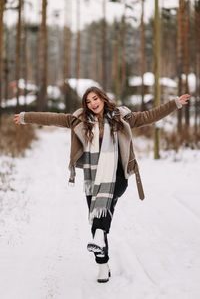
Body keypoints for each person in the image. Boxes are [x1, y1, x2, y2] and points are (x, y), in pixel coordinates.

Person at [14, 87, 190, 283]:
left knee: (101, 212)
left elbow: (150, 115)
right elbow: (52, 118)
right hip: (93, 176)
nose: (92, 104)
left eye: (95, 98)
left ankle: (99, 238)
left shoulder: (121, 116)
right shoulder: (79, 120)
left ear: (103, 98)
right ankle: (103, 265)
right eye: (88, 101)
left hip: (118, 175)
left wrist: (174, 103)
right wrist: (25, 117)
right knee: (97, 218)